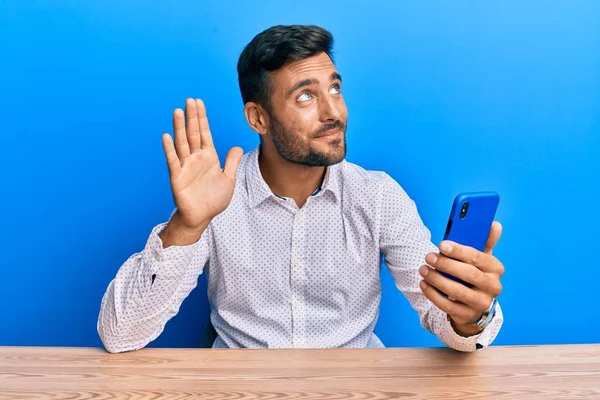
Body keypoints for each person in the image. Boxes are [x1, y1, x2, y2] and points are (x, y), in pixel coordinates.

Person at [97, 24, 504, 353]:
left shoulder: (378, 196)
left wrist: (468, 316)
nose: (333, 112)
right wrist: (187, 227)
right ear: (259, 119)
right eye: (306, 95)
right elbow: (119, 334)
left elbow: (447, 322)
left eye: (335, 88)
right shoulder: (217, 197)